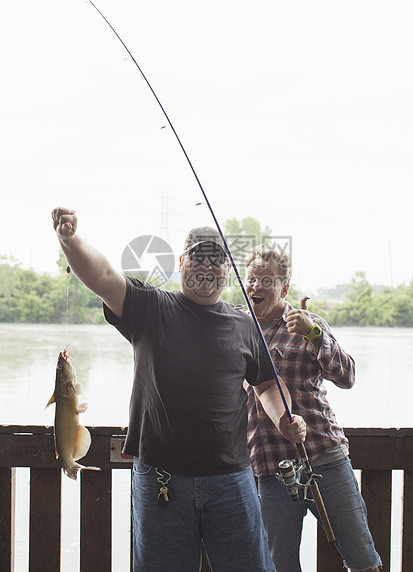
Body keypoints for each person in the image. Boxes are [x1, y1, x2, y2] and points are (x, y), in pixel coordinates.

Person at [52, 207, 306, 572]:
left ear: (227, 268)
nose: (207, 265)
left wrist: (284, 416)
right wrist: (70, 240)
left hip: (232, 480)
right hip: (161, 480)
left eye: (216, 257)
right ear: (182, 261)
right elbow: (103, 275)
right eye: (198, 255)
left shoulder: (244, 324)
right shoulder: (150, 307)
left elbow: (267, 382)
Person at [244, 243, 382, 572]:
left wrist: (315, 334)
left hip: (324, 460)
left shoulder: (307, 324)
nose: (256, 287)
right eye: (251, 280)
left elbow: (347, 376)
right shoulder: (238, 330)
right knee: (278, 565)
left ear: (284, 288)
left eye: (267, 281)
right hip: (270, 472)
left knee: (362, 558)